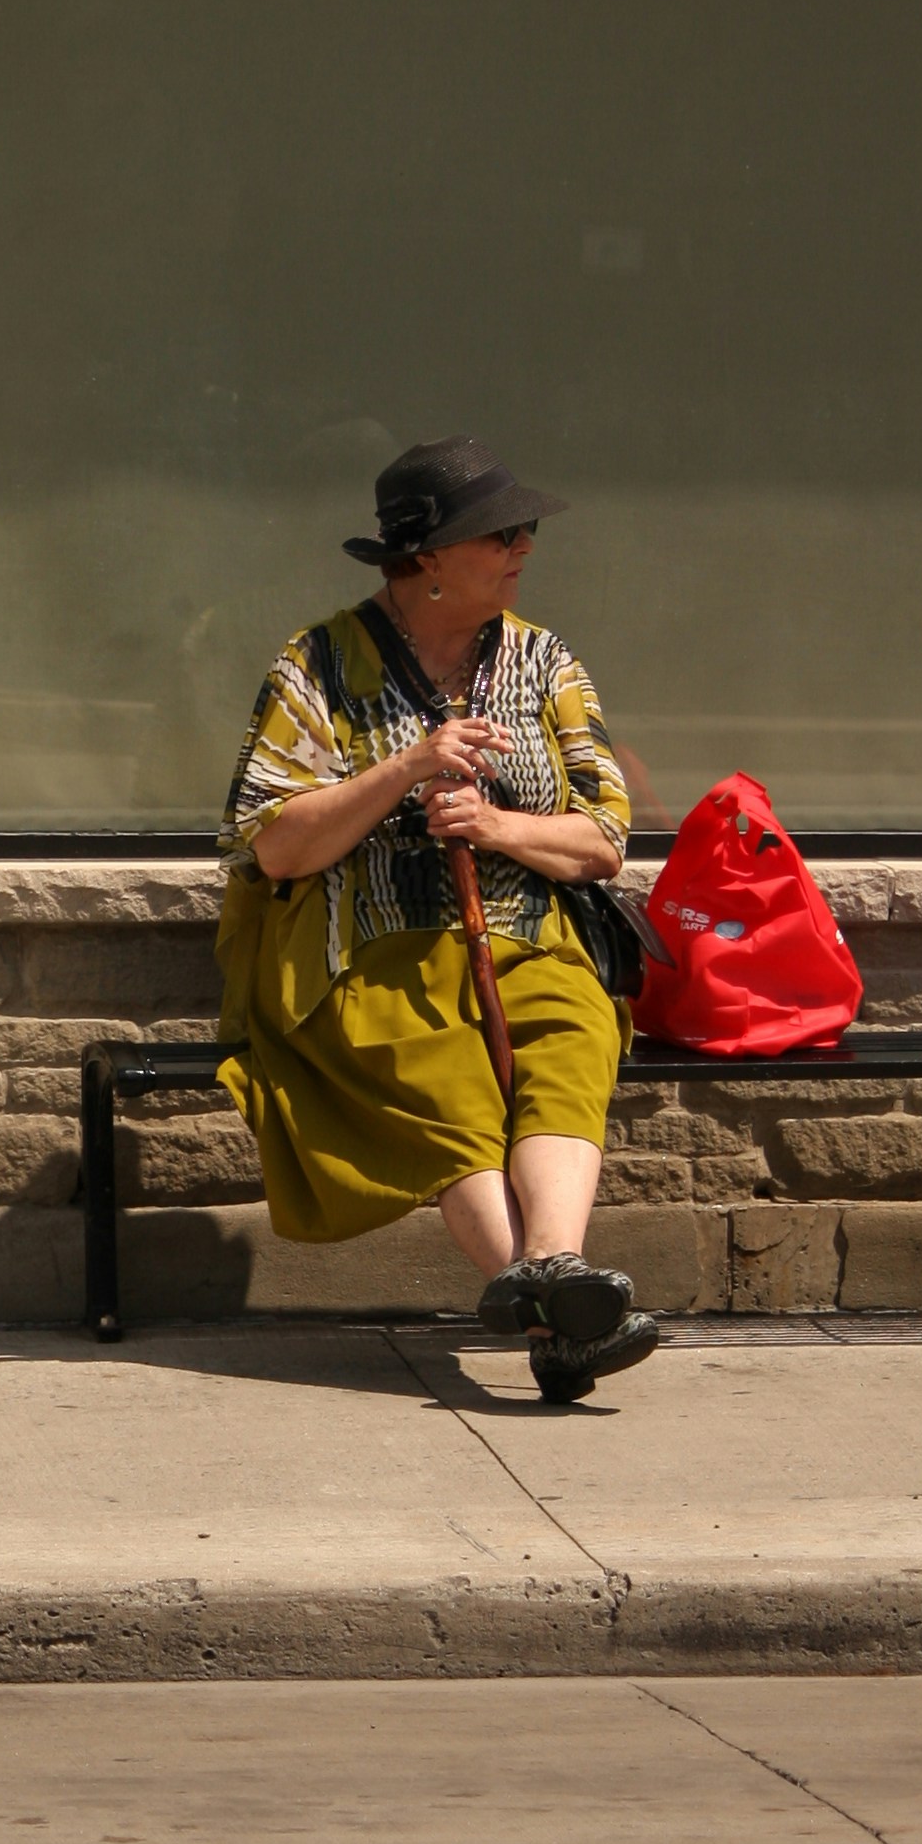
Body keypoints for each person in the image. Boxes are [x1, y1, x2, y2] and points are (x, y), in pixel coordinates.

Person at [217, 435, 660, 1402]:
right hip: (370, 946)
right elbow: (275, 845)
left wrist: (497, 824)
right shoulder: (320, 665)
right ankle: (564, 1320)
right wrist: (407, 768)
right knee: (448, 1075)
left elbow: (604, 841)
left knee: (572, 1042)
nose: (524, 547)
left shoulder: (546, 662)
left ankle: (551, 1276)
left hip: (530, 933)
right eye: (502, 532)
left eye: (525, 529)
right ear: (425, 560)